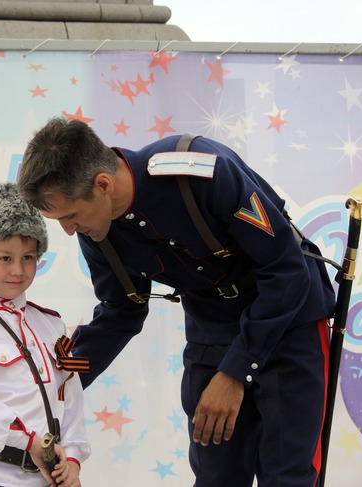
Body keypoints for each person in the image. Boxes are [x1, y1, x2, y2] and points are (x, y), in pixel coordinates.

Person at [17, 117, 337, 487]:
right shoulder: (97, 233)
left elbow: (286, 269)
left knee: (288, 476)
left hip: (288, 318)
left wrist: (235, 372)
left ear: (102, 184)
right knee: (215, 477)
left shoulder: (199, 170)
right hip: (210, 325)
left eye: (70, 216)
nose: (68, 230)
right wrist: (57, 383)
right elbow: (120, 312)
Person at [0, 182, 90, 487]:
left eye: (28, 257)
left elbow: (71, 396)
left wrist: (73, 460)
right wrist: (29, 442)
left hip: (46, 479)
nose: (18, 270)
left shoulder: (52, 324)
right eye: (5, 258)